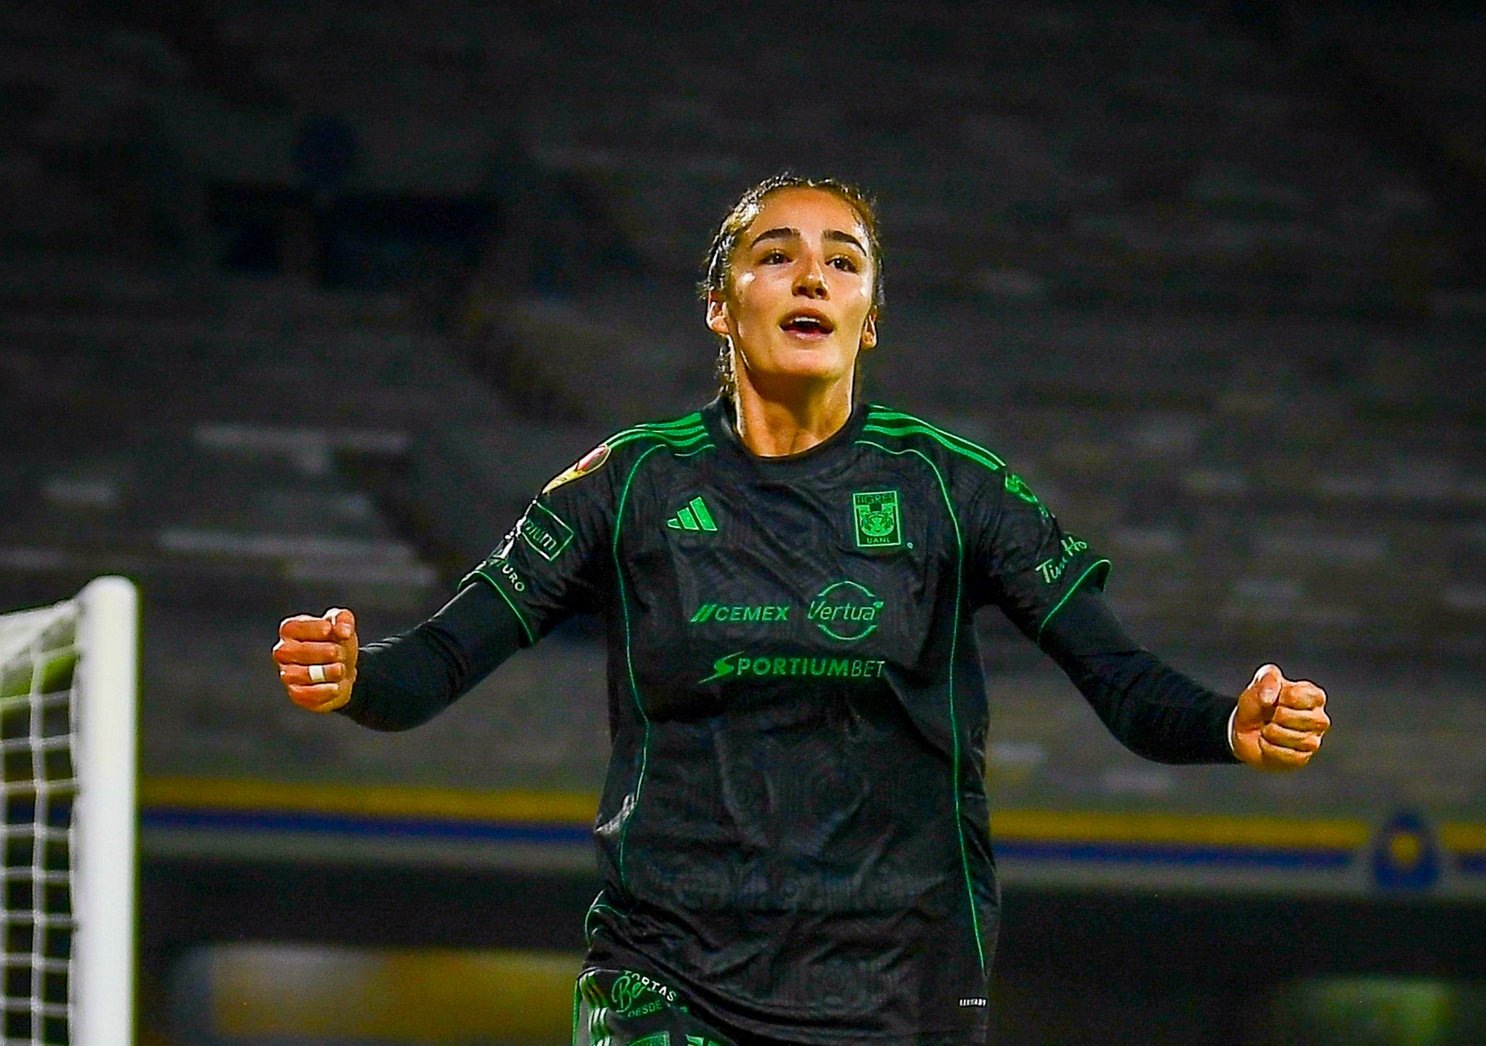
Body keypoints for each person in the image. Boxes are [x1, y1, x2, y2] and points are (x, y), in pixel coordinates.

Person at [273, 174, 1331, 1044]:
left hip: (902, 989)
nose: (812, 275)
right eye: (776, 254)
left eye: (844, 259)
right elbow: (438, 662)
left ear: (869, 320)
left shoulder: (955, 488)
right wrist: (356, 674)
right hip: (668, 979)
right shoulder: (626, 483)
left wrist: (1225, 724)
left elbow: (1122, 682)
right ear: (719, 304)